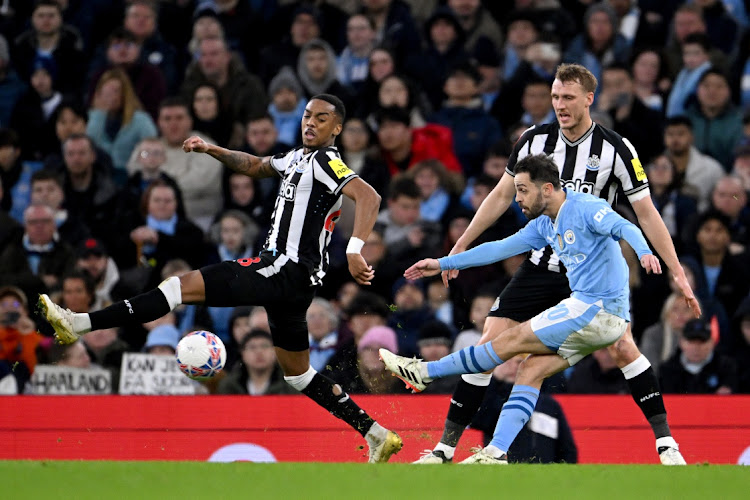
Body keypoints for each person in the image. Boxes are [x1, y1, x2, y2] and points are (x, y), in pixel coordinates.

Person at [38, 94, 402, 463]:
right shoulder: (298, 158)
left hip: (280, 268)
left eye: (321, 119)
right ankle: (376, 433)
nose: (311, 123)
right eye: (308, 116)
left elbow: (368, 196)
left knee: (177, 287)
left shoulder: (326, 161)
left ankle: (79, 322)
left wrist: (354, 248)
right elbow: (256, 165)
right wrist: (212, 149)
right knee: (298, 375)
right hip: (293, 284)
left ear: (337, 128)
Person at [399, 64, 700, 466]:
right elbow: (500, 197)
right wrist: (459, 247)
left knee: (623, 346)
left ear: (589, 98)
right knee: (492, 343)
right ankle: (446, 449)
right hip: (543, 265)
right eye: (555, 97)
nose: (559, 105)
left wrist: (675, 270)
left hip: (591, 273)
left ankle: (666, 444)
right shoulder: (533, 141)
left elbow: (644, 214)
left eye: (568, 98)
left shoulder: (617, 149)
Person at [380, 153, 664, 464]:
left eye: (523, 190)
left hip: (595, 309)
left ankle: (425, 372)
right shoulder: (544, 224)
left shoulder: (585, 207)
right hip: (601, 319)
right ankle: (496, 453)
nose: (517, 198)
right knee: (530, 369)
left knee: (508, 342)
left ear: (546, 189)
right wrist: (443, 262)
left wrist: (644, 252)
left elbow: (627, 227)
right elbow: (499, 248)